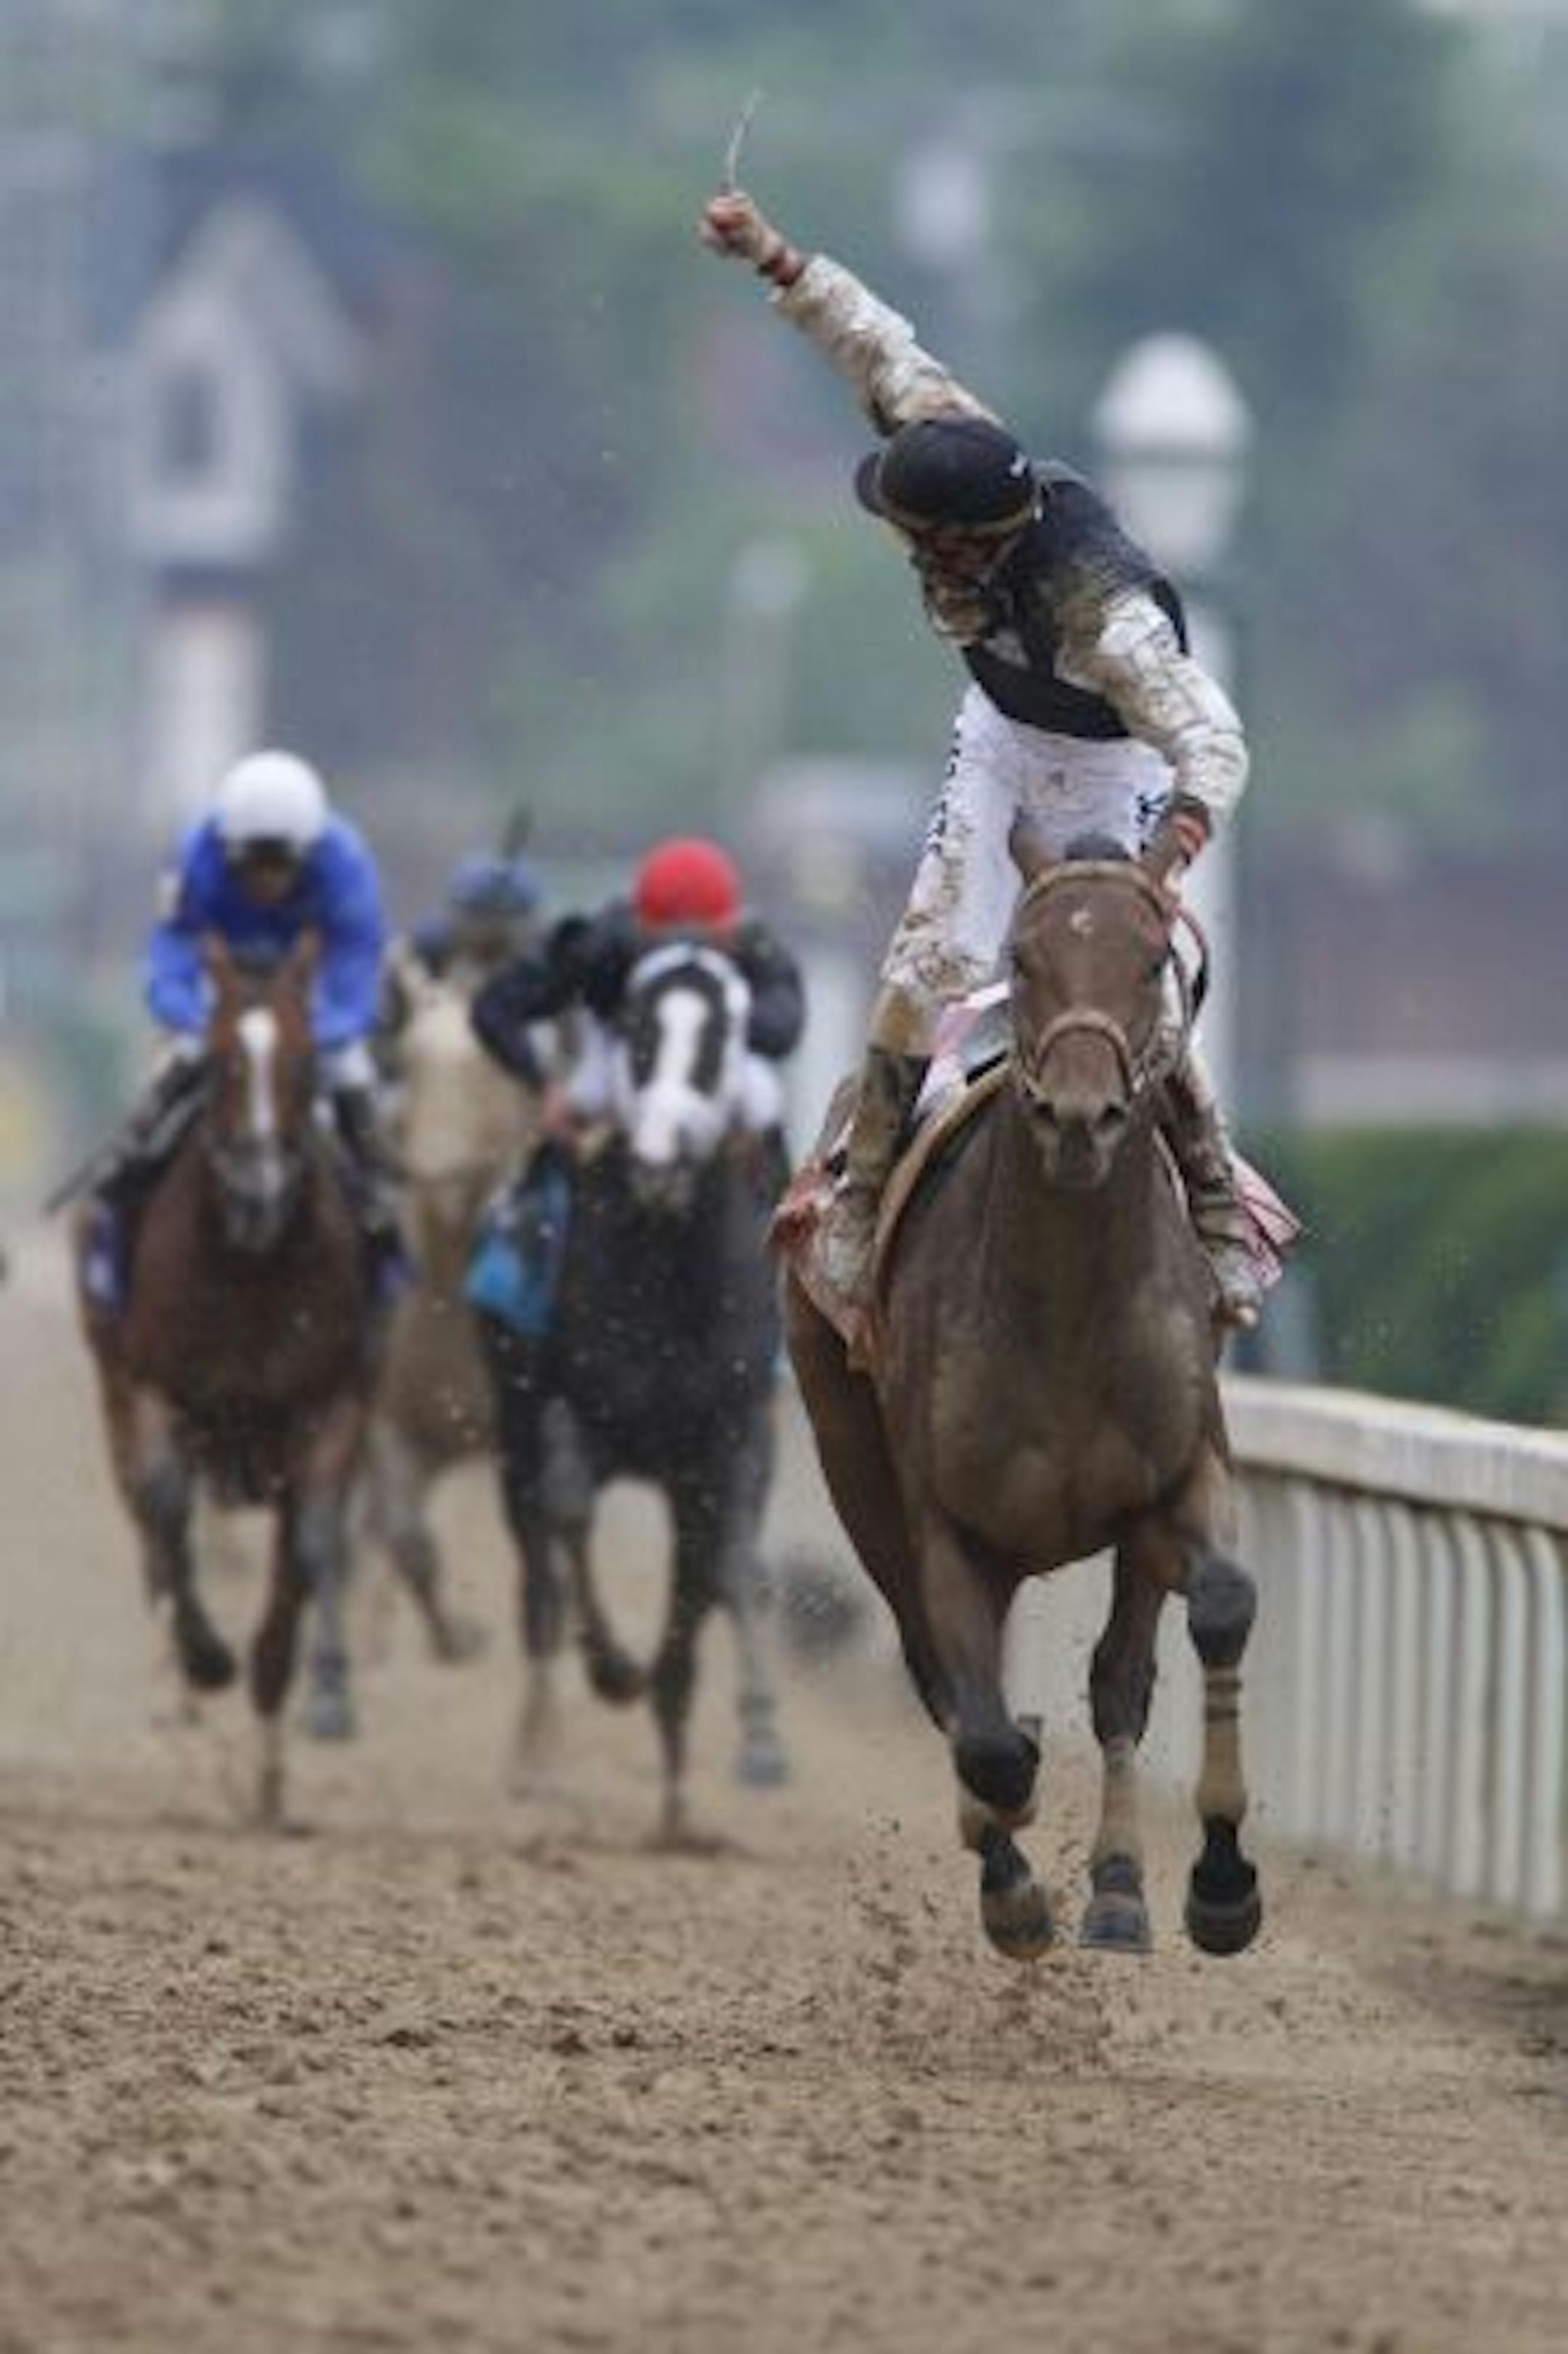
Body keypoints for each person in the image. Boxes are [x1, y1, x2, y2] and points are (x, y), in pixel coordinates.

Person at [699, 185, 1262, 1326]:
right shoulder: (952, 440)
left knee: (1123, 986)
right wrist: (772, 255)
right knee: (926, 960)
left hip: (1126, 764)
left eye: (922, 546)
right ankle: (858, 1203)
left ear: (975, 541)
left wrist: (1157, 871)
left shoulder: (1106, 613)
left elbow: (1213, 738)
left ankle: (1212, 1193)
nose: (912, 560)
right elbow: (876, 343)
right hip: (1004, 738)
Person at [80, 748, 407, 1309]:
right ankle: (120, 1207)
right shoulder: (194, 855)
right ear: (227, 851)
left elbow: (356, 963)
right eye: (252, 864)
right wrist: (189, 1016)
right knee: (169, 1074)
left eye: (282, 865)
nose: (267, 880)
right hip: (220, 993)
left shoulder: (346, 862)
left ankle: (380, 1220)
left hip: (307, 996)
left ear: (309, 854)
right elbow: (172, 949)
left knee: (353, 1078)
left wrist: (316, 1030)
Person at [471, 834, 804, 1151]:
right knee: (575, 1108)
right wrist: (544, 1084)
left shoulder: (755, 947)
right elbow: (496, 1007)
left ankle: (787, 1203)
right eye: (666, 945)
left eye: (703, 944)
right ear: (641, 928)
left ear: (730, 932)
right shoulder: (602, 944)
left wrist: (709, 1023)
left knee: (764, 1107)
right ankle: (537, 1198)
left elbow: (786, 1024)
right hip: (621, 1054)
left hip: (723, 1060)